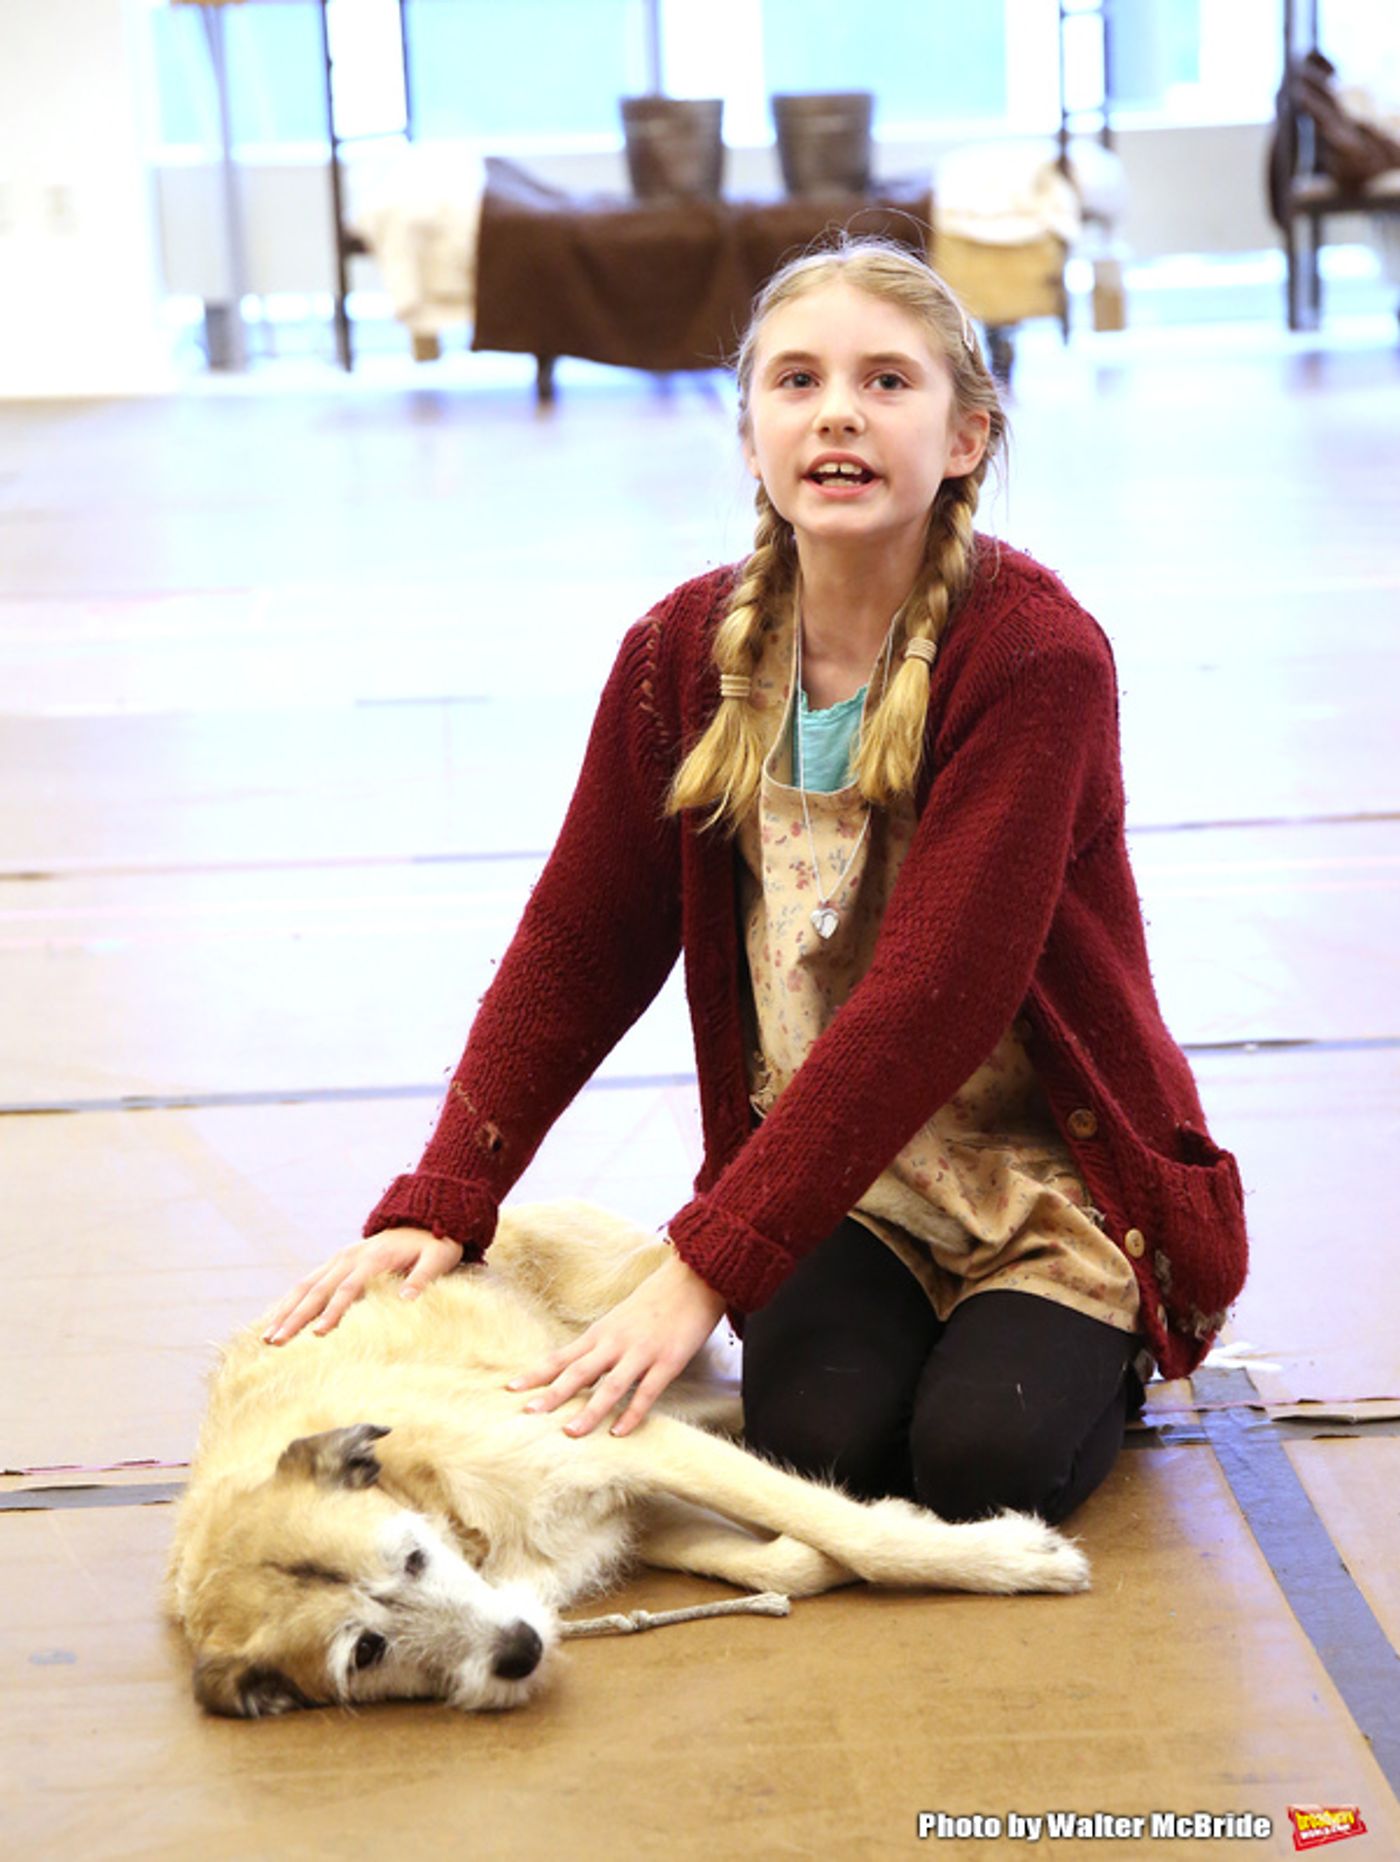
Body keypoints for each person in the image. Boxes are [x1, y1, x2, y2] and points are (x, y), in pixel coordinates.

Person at [263, 239, 1247, 1526]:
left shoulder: (1033, 656)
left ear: (965, 437)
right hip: (839, 1175)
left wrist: (701, 1263)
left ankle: (1104, 1334)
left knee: (980, 1465)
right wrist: (453, 1185)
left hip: (1046, 1180)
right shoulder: (679, 653)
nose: (837, 408)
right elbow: (581, 935)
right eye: (796, 380)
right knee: (815, 1448)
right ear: (751, 436)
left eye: (886, 381)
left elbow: (936, 993)